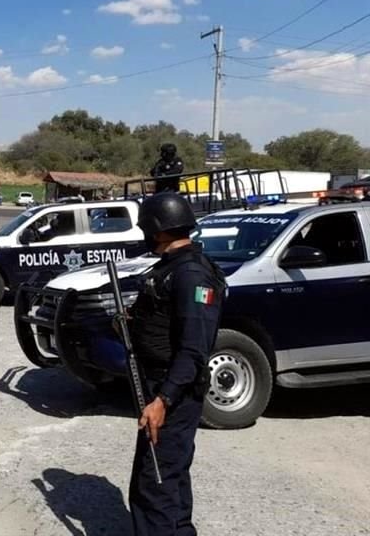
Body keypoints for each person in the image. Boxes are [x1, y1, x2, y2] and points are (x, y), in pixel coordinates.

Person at [126, 192, 227, 535]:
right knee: (170, 475)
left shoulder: (192, 275)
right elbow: (162, 319)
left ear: (158, 229)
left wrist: (163, 400)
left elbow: (193, 350)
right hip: (160, 386)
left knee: (155, 483)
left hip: (173, 393)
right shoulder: (171, 267)